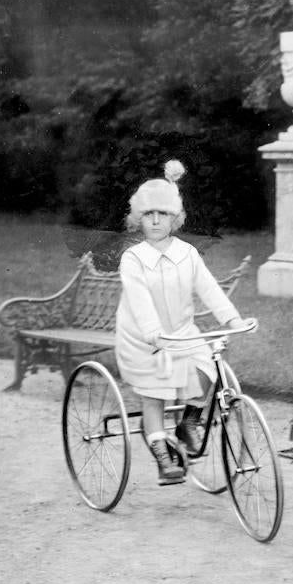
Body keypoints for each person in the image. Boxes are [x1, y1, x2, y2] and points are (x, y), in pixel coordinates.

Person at [115, 160, 249, 485]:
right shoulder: (133, 259)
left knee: (207, 366)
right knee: (155, 394)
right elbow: (140, 301)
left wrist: (232, 318)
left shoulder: (187, 253)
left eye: (163, 214)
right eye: (149, 214)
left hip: (182, 333)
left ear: (176, 218)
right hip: (143, 340)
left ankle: (189, 421)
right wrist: (153, 333)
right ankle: (163, 455)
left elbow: (209, 289)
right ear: (139, 219)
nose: (157, 220)